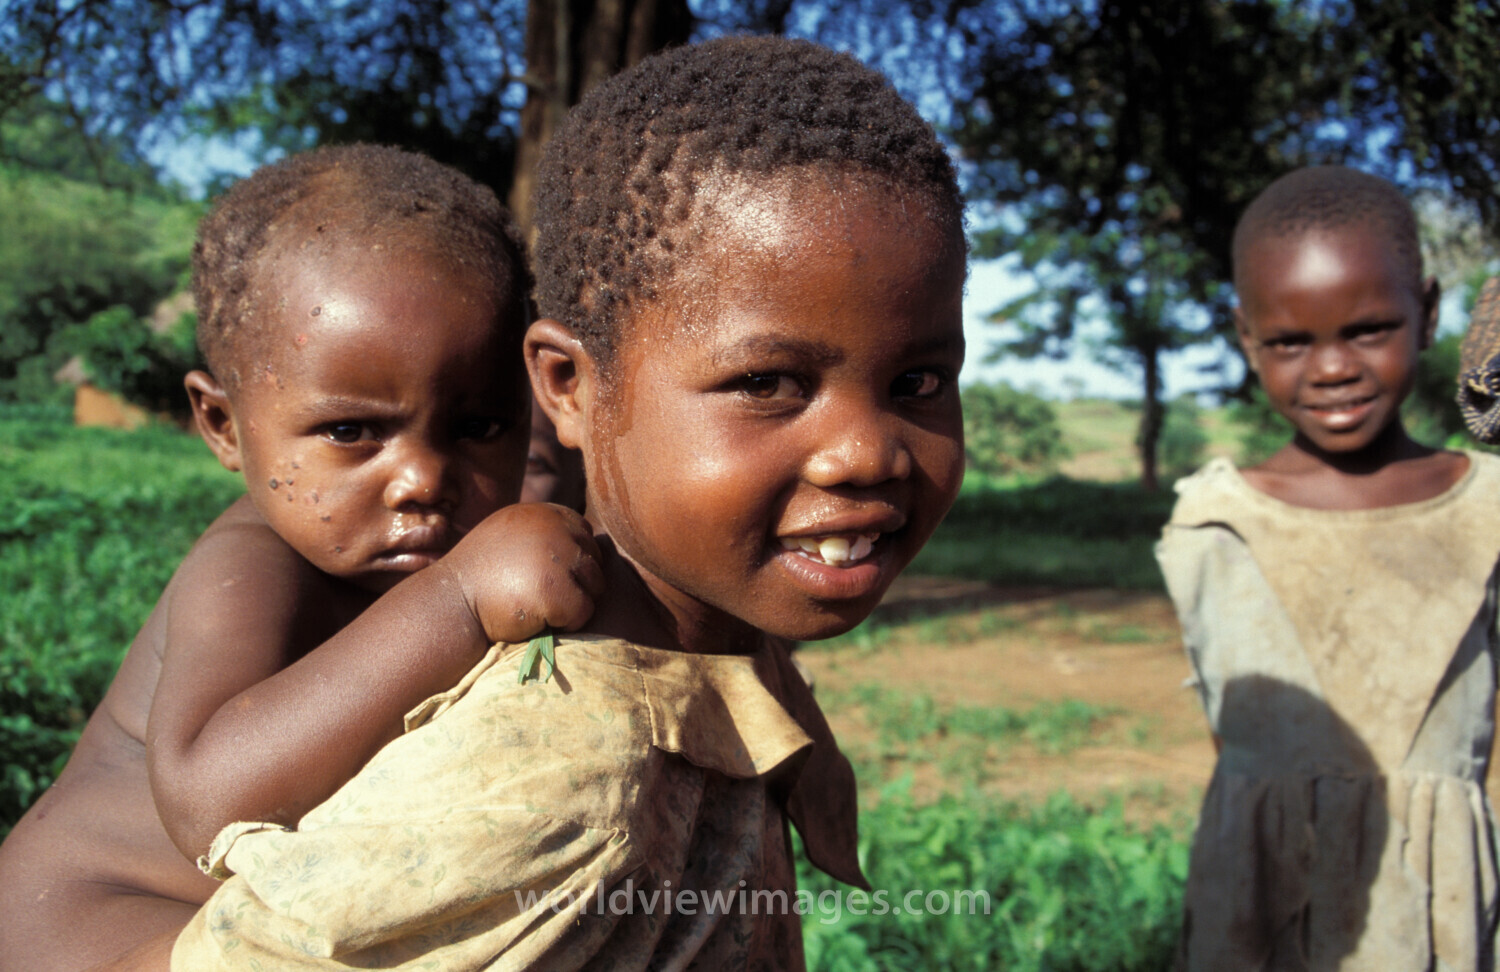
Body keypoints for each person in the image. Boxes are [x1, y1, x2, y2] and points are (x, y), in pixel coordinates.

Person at [170, 35, 967, 970]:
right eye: (767, 382)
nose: (866, 453)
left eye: (918, 382)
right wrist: (459, 594)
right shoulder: (553, 778)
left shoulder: (695, 638)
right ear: (567, 385)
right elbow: (210, 808)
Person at [0, 145, 603, 972]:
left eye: (479, 427)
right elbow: (211, 801)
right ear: (222, 425)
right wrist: (460, 597)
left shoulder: (411, 552)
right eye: (352, 432)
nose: (423, 479)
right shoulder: (251, 568)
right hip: (107, 934)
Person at [1158, 165, 1500, 970]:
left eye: (1369, 329)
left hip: (1437, 921)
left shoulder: (1487, 512)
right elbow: (1234, 740)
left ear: (1429, 311)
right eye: (1289, 341)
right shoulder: (1213, 523)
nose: (1333, 367)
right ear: (1246, 336)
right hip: (1255, 915)